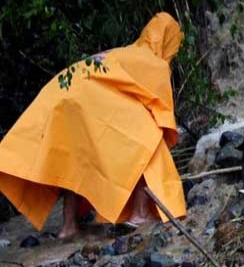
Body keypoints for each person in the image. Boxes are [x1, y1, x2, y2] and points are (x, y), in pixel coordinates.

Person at [0, 13, 188, 239]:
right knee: (147, 142)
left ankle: (68, 227)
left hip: (62, 93)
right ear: (168, 42)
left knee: (74, 159)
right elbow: (160, 114)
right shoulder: (152, 62)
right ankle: (139, 214)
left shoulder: (125, 52)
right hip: (84, 99)